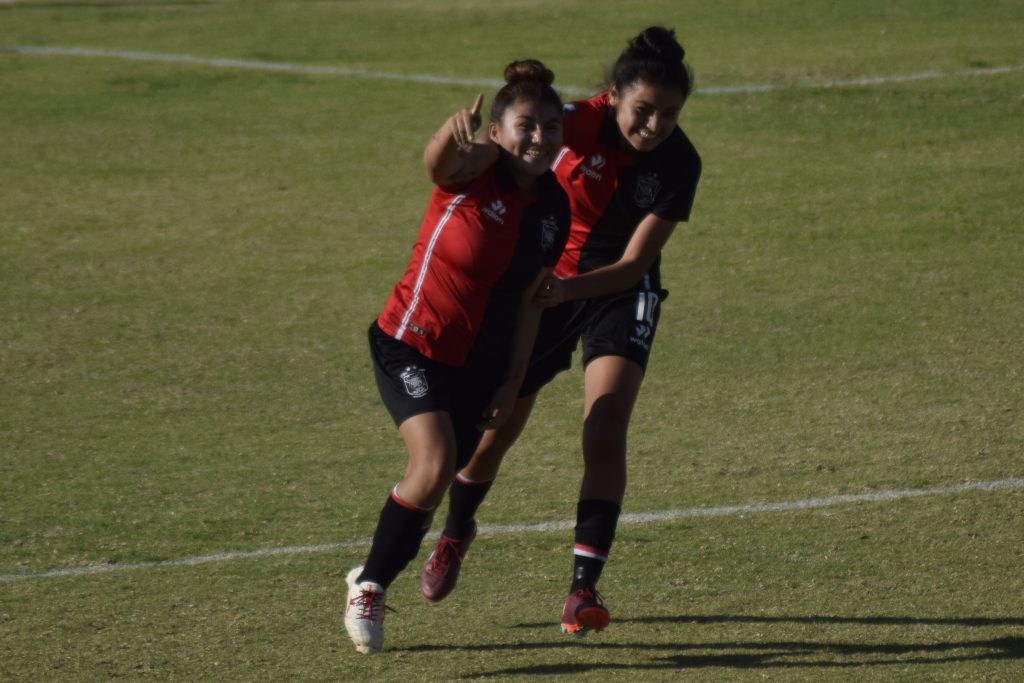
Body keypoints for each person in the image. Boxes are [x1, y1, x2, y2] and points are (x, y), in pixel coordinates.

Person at [420, 27, 702, 636]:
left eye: (669, 115)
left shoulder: (681, 162)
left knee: (604, 426)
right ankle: (456, 532)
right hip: (545, 285)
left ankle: (583, 591)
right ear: (612, 95)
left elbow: (632, 264)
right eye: (642, 111)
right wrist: (464, 158)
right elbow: (506, 157)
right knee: (497, 429)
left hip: (619, 292)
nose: (654, 126)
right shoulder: (569, 122)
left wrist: (570, 291)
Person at [344, 60, 570, 655]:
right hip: (410, 340)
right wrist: (451, 134)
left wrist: (511, 383)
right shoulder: (479, 169)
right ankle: (368, 586)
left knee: (437, 479)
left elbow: (531, 303)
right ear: (497, 131)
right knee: (436, 463)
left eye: (552, 125)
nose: (540, 137)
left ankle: (372, 573)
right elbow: (437, 166)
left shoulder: (554, 210)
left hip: (481, 366)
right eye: (526, 124)